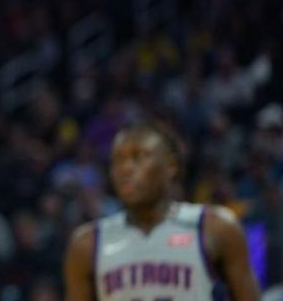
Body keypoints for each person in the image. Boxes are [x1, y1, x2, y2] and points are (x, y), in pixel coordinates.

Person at [64, 121, 260, 300]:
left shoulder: (215, 227)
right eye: (118, 160)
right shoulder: (87, 244)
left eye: (139, 157)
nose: (126, 169)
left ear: (171, 166)